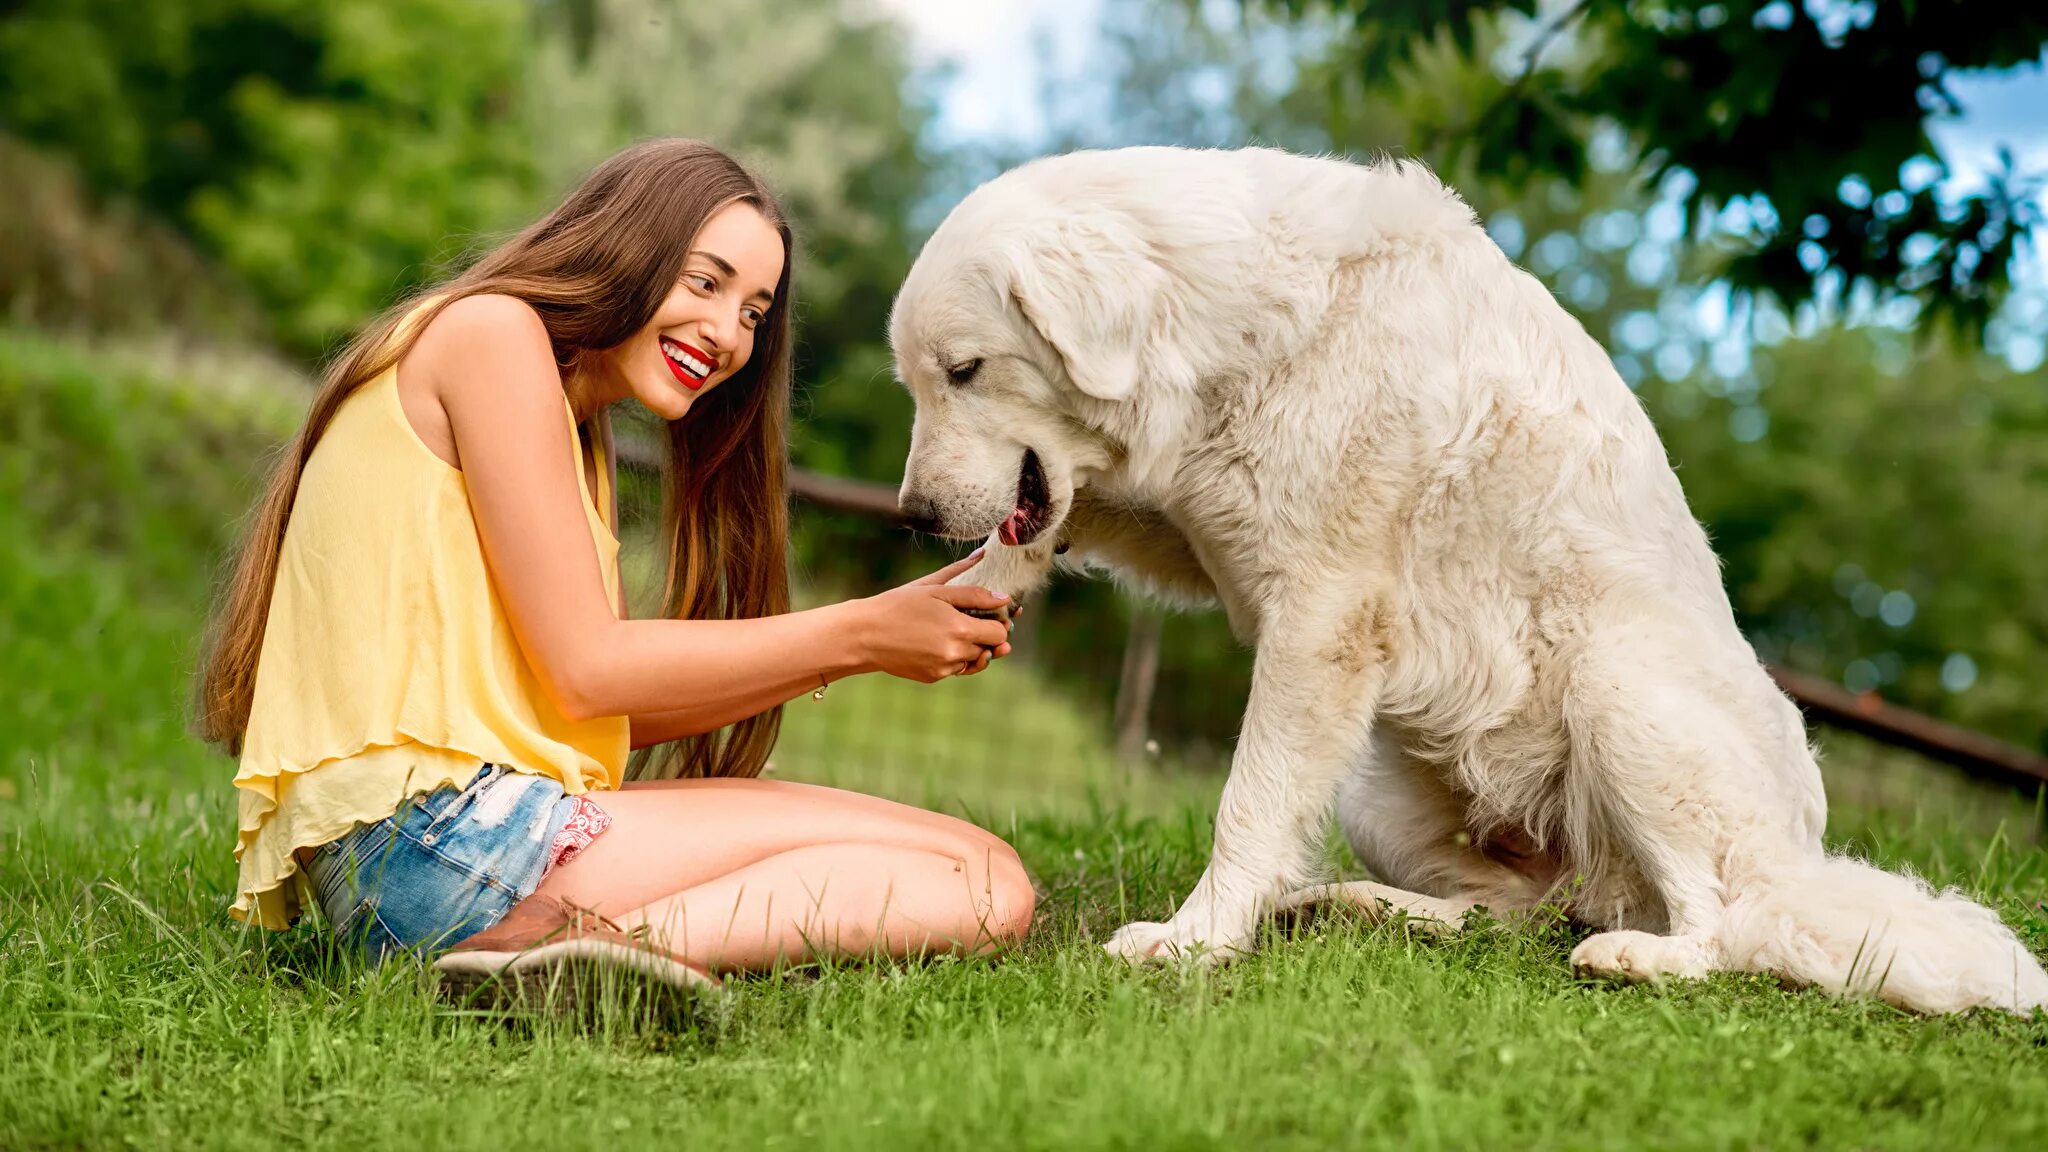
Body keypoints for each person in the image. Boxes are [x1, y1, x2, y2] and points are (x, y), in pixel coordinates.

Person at [195, 138, 1035, 994]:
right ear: (626, 247)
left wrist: (879, 627)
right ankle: (579, 951)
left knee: (985, 869)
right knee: (978, 884)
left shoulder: (571, 423)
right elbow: (592, 672)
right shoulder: (493, 333)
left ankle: (570, 950)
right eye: (705, 283)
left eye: (753, 313)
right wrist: (858, 634)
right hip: (436, 845)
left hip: (438, 850)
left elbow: (579, 705)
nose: (726, 335)